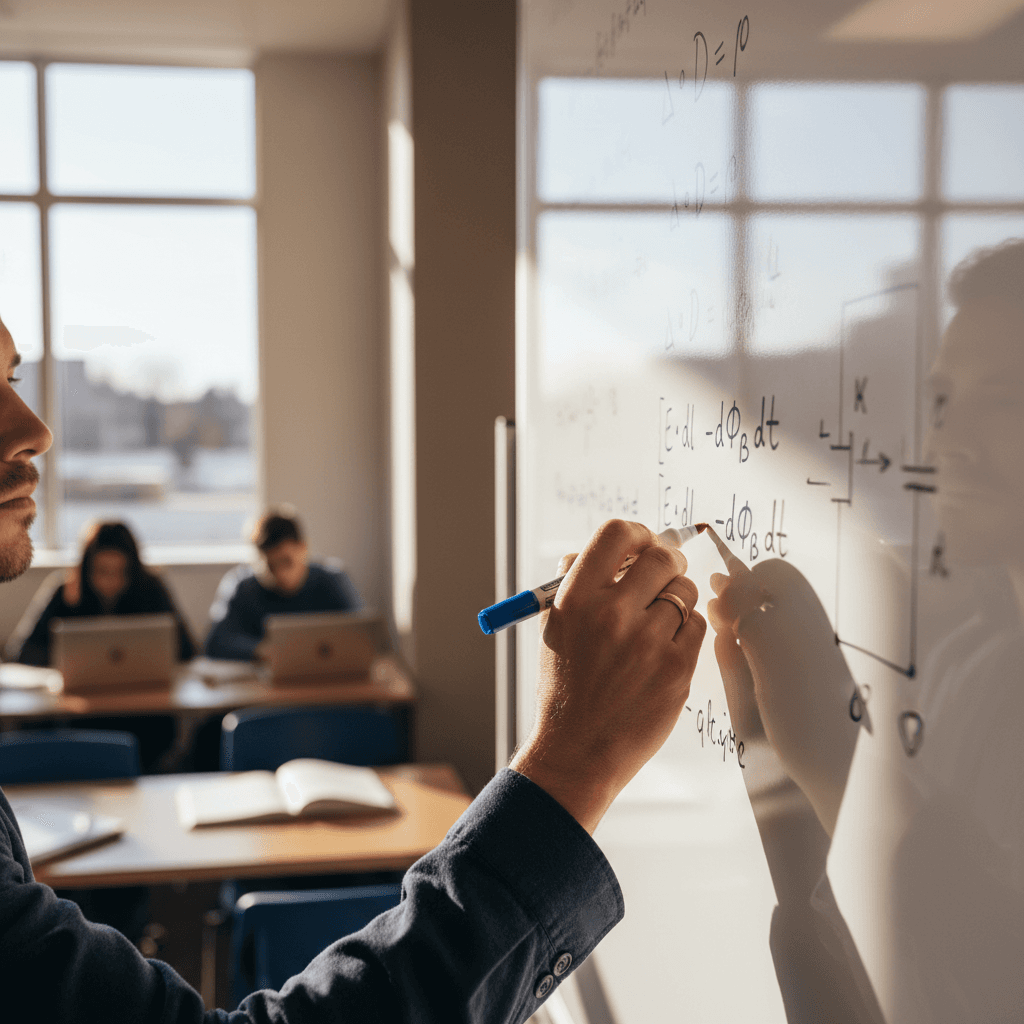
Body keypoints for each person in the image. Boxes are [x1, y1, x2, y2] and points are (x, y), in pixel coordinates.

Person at [0, 310, 707, 1021]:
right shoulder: (234, 590)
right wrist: (572, 762)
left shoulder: (328, 579)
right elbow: (213, 648)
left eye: (12, 378)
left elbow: (353, 637)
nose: (37, 428)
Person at [5, 519, 196, 668]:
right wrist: (72, 661)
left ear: (133, 570)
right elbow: (21, 653)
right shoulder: (65, 590)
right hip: (76, 698)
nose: (111, 581)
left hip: (142, 696)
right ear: (86, 569)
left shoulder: (151, 588)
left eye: (121, 572)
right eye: (102, 571)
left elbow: (188, 650)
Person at [204, 509, 363, 661]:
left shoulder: (332, 580)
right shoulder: (243, 587)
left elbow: (361, 635)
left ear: (303, 548)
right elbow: (215, 642)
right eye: (270, 566)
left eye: (287, 562)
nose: (280, 574)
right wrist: (261, 650)